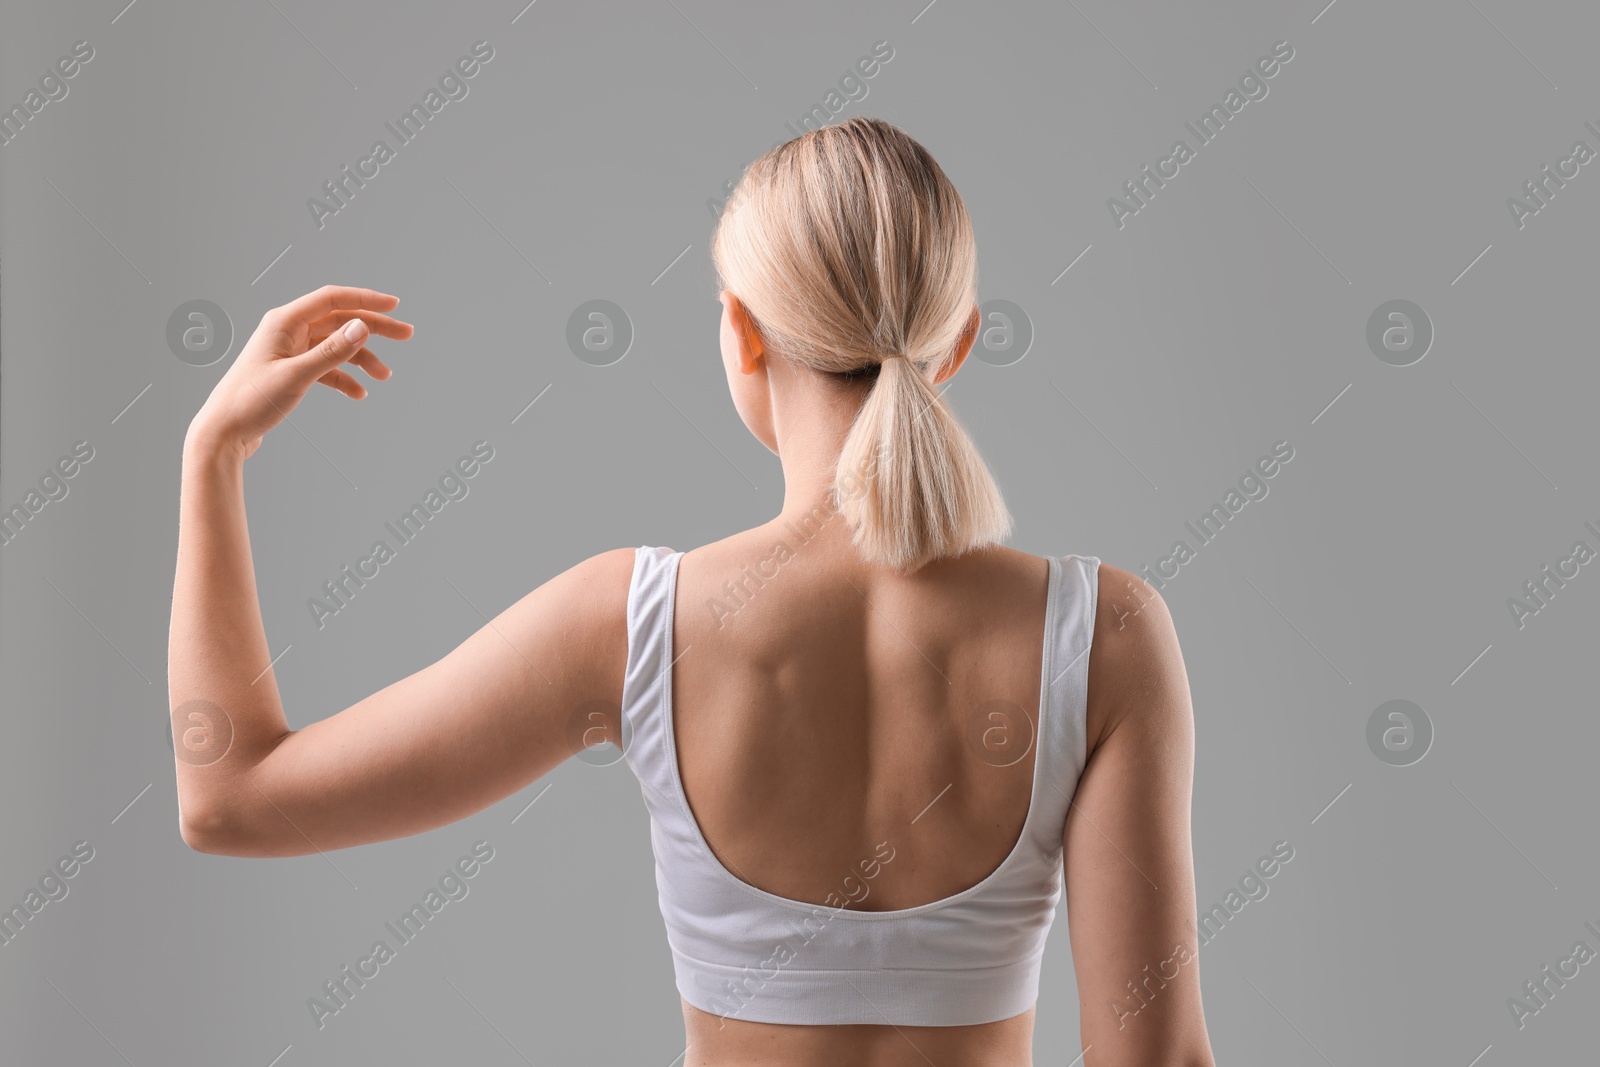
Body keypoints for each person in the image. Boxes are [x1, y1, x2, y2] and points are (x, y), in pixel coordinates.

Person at [168, 116, 1216, 1066]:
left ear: (744, 332)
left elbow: (231, 796)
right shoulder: (1106, 634)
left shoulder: (634, 625)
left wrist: (213, 455)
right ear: (959, 341)